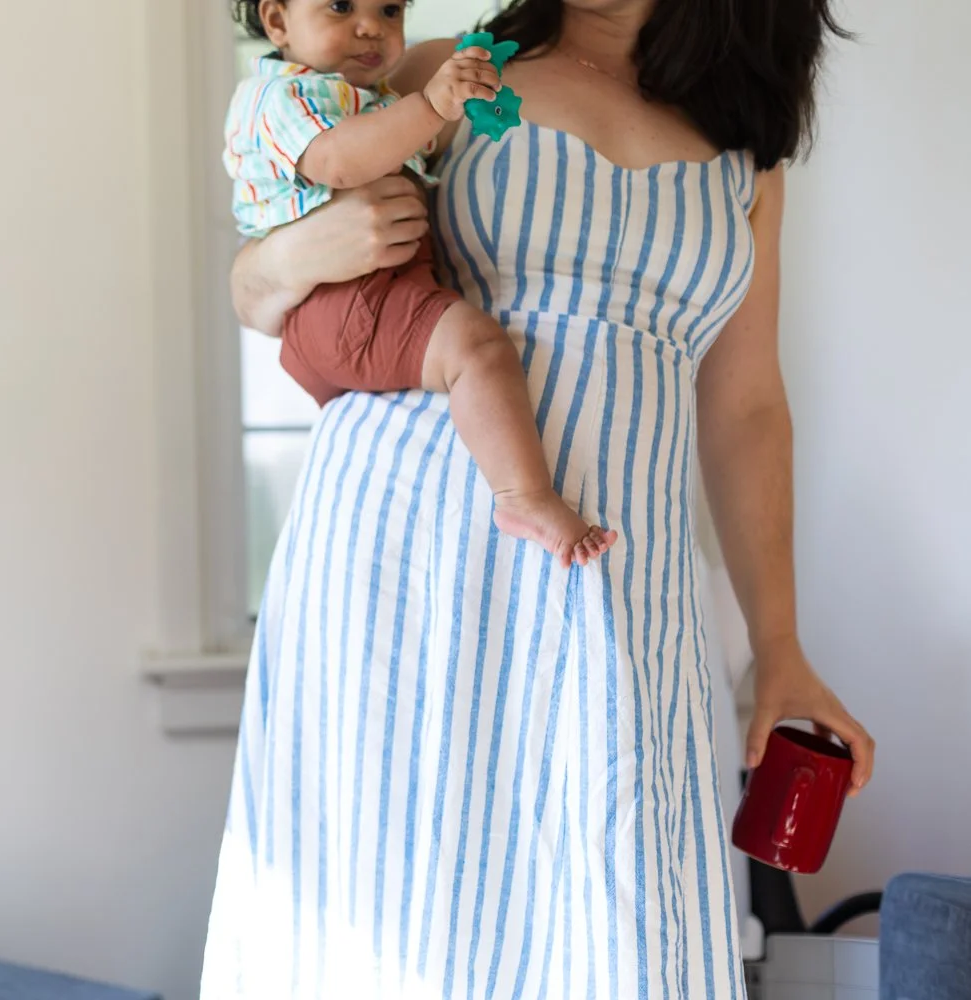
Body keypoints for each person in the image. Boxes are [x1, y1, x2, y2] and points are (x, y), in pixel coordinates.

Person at [199, 0, 877, 996]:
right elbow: (260, 286)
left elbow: (745, 407)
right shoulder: (447, 70)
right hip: (404, 552)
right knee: (393, 910)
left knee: (619, 918)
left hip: (621, 581)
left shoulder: (745, 148)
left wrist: (781, 648)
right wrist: (299, 255)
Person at [225, 0, 616, 567]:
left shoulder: (369, 96)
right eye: (340, 5)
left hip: (370, 292)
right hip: (348, 298)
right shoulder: (279, 97)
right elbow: (338, 162)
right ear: (277, 21)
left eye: (389, 9)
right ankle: (522, 496)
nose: (370, 27)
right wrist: (431, 104)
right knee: (478, 351)